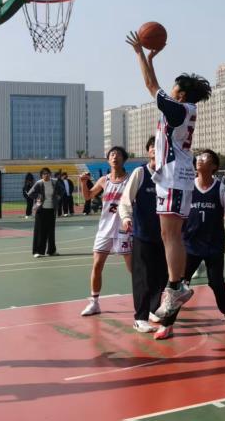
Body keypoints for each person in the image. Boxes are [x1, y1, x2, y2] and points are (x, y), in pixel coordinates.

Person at [127, 31, 213, 323]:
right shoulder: (184, 109)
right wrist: (151, 60)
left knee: (171, 235)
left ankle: (175, 287)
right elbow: (157, 87)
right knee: (169, 235)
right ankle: (177, 286)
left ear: (182, 94)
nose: (171, 89)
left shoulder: (178, 110)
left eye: (175, 87)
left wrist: (139, 53)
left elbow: (151, 86)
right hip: (177, 176)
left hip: (174, 176)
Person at [155, 149, 225, 339]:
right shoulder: (187, 188)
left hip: (213, 244)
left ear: (214, 166)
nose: (200, 160)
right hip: (189, 245)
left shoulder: (221, 189)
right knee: (178, 286)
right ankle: (167, 324)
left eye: (205, 158)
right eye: (199, 157)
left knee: (216, 282)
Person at [78, 147, 133, 317]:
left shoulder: (130, 180)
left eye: (118, 155)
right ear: (108, 160)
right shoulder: (104, 180)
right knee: (97, 265)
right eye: (112, 155)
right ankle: (94, 303)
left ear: (124, 159)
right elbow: (88, 196)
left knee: (133, 268)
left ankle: (148, 298)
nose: (114, 157)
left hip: (124, 228)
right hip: (104, 229)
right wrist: (83, 183)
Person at [120, 137, 166, 335]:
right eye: (152, 147)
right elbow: (125, 199)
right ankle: (140, 318)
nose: (155, 149)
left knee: (162, 275)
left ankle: (153, 308)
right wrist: (126, 218)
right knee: (143, 278)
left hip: (165, 235)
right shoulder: (140, 173)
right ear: (148, 151)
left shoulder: (168, 174)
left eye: (159, 147)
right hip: (143, 233)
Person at [27, 167, 63, 257]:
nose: (46, 175)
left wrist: (58, 197)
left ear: (50, 174)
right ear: (41, 175)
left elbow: (62, 190)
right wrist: (39, 196)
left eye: (47, 173)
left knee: (51, 231)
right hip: (41, 210)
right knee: (40, 231)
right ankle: (37, 251)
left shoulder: (54, 182)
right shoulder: (39, 183)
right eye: (44, 174)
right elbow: (30, 193)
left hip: (51, 210)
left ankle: (51, 251)